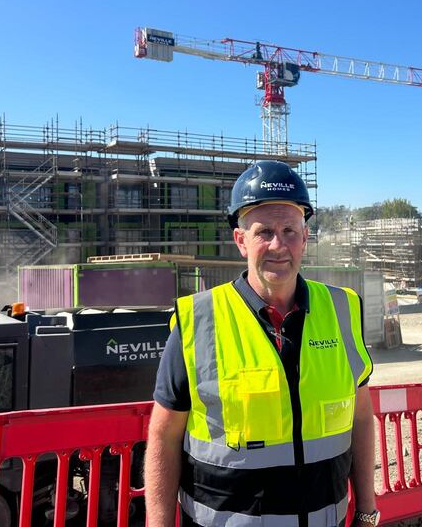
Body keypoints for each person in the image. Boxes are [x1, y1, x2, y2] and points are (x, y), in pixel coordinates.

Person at [145, 160, 378, 527]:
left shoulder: (342, 309)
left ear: (305, 238)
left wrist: (366, 511)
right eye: (264, 231)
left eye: (289, 230)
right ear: (241, 241)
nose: (278, 245)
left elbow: (360, 416)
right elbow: (164, 435)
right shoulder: (199, 320)